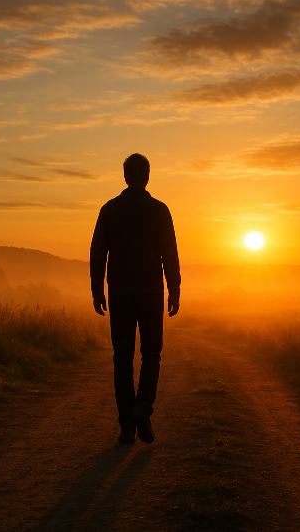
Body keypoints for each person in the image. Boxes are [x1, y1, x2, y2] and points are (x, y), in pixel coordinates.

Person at [90, 153, 180, 444]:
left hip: (119, 292)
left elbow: (97, 253)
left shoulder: (110, 209)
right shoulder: (160, 210)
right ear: (147, 177)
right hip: (152, 292)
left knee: (123, 358)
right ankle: (142, 408)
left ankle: (127, 426)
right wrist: (174, 289)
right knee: (151, 354)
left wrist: (97, 289)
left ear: (125, 176)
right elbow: (170, 254)